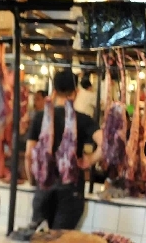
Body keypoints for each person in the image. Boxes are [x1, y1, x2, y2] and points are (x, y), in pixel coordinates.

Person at [25, 70, 103, 230]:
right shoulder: (83, 119)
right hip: (71, 189)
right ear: (75, 93)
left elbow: (29, 154)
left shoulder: (40, 117)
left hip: (44, 187)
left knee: (40, 238)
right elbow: (106, 143)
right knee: (61, 240)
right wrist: (89, 160)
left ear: (54, 91)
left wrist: (33, 180)